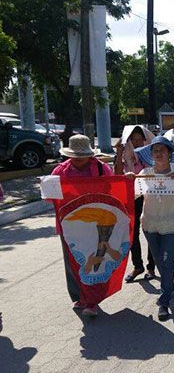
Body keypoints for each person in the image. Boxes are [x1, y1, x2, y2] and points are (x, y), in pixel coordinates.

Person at [131, 136, 174, 321]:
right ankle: (169, 285)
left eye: (162, 150)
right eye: (155, 150)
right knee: (160, 261)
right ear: (151, 154)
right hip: (150, 225)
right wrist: (129, 179)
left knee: (167, 262)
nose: (158, 153)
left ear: (169, 153)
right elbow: (133, 195)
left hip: (172, 226)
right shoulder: (144, 173)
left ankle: (164, 300)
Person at [52, 134, 114, 317]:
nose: (78, 160)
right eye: (75, 157)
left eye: (82, 156)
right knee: (72, 264)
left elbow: (112, 190)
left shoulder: (102, 170)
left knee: (94, 261)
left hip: (96, 225)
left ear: (90, 154)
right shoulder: (59, 172)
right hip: (69, 226)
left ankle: (92, 300)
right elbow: (50, 198)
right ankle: (80, 297)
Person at [114, 126, 157, 283]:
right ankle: (138, 266)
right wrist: (119, 152)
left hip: (150, 196)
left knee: (150, 230)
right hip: (131, 197)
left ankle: (151, 266)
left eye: (141, 139)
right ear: (129, 141)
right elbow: (117, 174)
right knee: (132, 232)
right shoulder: (124, 156)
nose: (138, 143)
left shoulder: (152, 154)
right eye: (134, 140)